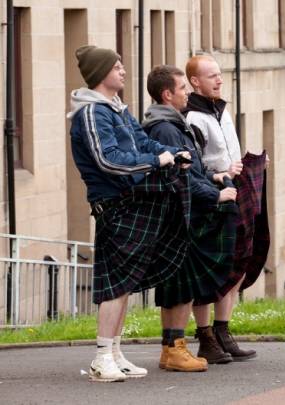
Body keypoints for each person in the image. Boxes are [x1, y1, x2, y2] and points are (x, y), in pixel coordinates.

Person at [67, 46, 192, 382]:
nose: (123, 70)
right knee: (115, 286)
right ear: (100, 73)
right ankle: (101, 357)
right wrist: (156, 162)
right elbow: (107, 160)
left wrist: (170, 153)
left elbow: (141, 142)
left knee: (123, 284)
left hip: (130, 200)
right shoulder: (92, 113)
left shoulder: (117, 109)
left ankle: (116, 353)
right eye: (116, 66)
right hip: (114, 204)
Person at [142, 65, 243, 369]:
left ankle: (174, 347)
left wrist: (214, 177)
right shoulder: (166, 128)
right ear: (167, 94)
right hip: (179, 214)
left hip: (183, 210)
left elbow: (193, 170)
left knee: (180, 284)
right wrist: (215, 194)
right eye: (182, 88)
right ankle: (174, 348)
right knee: (180, 285)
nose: (187, 92)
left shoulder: (172, 123)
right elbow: (179, 175)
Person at [183, 55, 257, 362]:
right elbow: (196, 165)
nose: (219, 79)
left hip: (233, 189)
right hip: (210, 195)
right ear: (195, 82)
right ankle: (205, 337)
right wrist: (222, 169)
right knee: (207, 269)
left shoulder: (221, 110)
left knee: (236, 262)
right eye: (212, 76)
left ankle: (223, 330)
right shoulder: (192, 119)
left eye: (219, 74)